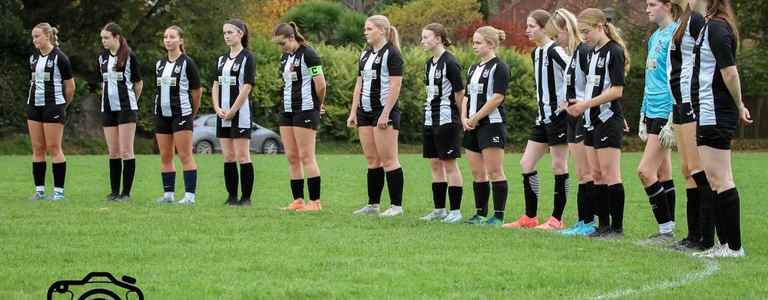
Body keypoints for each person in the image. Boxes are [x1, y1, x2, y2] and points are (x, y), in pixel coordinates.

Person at [691, 0, 751, 258]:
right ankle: (724, 244)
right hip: (706, 112)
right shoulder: (707, 26)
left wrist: (739, 104)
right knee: (714, 180)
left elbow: (730, 72)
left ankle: (734, 247)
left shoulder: (717, 27)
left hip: (714, 111)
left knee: (722, 178)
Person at [566, 8, 631, 239]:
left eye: (587, 31)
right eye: (581, 33)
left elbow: (616, 90)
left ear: (600, 26)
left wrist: (586, 104)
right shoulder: (592, 53)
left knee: (610, 173)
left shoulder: (614, 51)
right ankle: (602, 226)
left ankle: (617, 228)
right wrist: (577, 103)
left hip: (607, 118)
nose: (584, 37)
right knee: (596, 174)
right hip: (590, 120)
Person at [504, 10, 570, 230]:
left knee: (559, 165)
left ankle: (556, 220)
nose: (527, 30)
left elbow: (574, 71)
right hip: (542, 118)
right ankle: (530, 217)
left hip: (559, 118)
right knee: (526, 163)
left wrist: (568, 101)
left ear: (544, 27)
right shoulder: (536, 53)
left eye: (531, 26)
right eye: (527, 26)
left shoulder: (555, 50)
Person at [348, 15, 406, 217]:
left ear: (382, 30)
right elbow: (359, 83)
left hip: (384, 112)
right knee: (372, 159)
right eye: (365, 29)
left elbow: (395, 85)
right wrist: (353, 110)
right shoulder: (365, 54)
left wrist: (386, 113)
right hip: (365, 111)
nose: (366, 32)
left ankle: (396, 206)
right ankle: (373, 205)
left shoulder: (392, 54)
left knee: (389, 160)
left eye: (369, 28)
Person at [547, 9, 597, 236]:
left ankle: (588, 221)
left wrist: (583, 104)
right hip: (571, 117)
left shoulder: (585, 51)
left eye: (558, 35)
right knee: (581, 173)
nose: (557, 41)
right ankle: (582, 220)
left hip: (583, 117)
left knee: (586, 173)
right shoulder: (573, 53)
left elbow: (595, 84)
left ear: (567, 29)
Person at [636, 0, 681, 245]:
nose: (647, 9)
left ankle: (665, 231)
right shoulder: (655, 37)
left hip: (666, 111)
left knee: (644, 171)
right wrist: (643, 113)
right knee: (663, 172)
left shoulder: (677, 34)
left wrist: (673, 117)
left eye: (652, 4)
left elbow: (677, 77)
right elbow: (649, 78)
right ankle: (668, 230)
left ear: (668, 5)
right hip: (652, 110)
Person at [667, 0, 708, 251]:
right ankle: (693, 235)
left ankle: (705, 236)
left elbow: (704, 61)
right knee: (686, 170)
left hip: (691, 101)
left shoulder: (696, 20)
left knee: (697, 169)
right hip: (678, 104)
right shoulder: (680, 21)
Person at [272, 22, 327, 212]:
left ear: (291, 38)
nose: (282, 48)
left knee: (306, 157)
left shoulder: (309, 54)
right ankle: (298, 200)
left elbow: (320, 85)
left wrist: (318, 104)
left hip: (305, 109)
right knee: (292, 157)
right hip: (287, 111)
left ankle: (315, 202)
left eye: (283, 43)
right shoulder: (285, 57)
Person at [461, 26, 511, 226]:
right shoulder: (473, 68)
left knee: (494, 171)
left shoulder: (500, 67)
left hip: (491, 125)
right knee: (477, 173)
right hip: (471, 125)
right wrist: (465, 117)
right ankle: (480, 214)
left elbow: (498, 97)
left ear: (490, 44)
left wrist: (477, 117)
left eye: (478, 42)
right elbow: (466, 96)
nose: (474, 46)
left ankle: (498, 216)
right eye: (473, 42)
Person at [418, 23, 465, 224]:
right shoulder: (430, 63)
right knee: (435, 164)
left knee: (449, 164)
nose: (423, 41)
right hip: (430, 118)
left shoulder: (451, 62)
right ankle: (439, 209)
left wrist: (460, 117)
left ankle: (455, 211)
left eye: (426, 37)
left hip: (447, 119)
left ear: (438, 38)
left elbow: (460, 93)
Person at [154, 25, 202, 205]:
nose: (168, 40)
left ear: (180, 40)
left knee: (185, 155)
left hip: (181, 114)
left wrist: (191, 113)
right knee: (165, 156)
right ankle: (168, 195)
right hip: (161, 114)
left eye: (172, 37)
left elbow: (197, 91)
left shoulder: (187, 63)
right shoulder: (159, 64)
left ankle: (189, 197)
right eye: (165, 37)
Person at [27, 23, 74, 201]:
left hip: (53, 106)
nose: (35, 40)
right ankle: (39, 191)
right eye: (33, 37)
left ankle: (58, 192)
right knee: (37, 148)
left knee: (54, 148)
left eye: (37, 36)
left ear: (47, 36)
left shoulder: (60, 58)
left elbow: (70, 87)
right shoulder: (32, 58)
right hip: (33, 106)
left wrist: (62, 105)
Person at [212, 19, 256, 207]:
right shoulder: (221, 59)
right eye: (224, 33)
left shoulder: (247, 57)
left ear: (241, 34)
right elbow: (215, 85)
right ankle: (231, 197)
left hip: (240, 113)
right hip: (223, 114)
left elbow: (247, 87)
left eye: (230, 32)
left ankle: (245, 198)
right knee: (228, 156)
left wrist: (233, 110)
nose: (226, 36)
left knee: (242, 156)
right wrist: (216, 107)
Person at [98, 22, 142, 202]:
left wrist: (132, 102)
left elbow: (138, 84)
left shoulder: (129, 56)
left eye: (106, 38)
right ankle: (114, 191)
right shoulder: (101, 58)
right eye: (102, 38)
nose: (103, 41)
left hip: (126, 109)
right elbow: (103, 83)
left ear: (116, 37)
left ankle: (126, 193)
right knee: (113, 152)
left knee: (126, 151)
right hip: (108, 108)